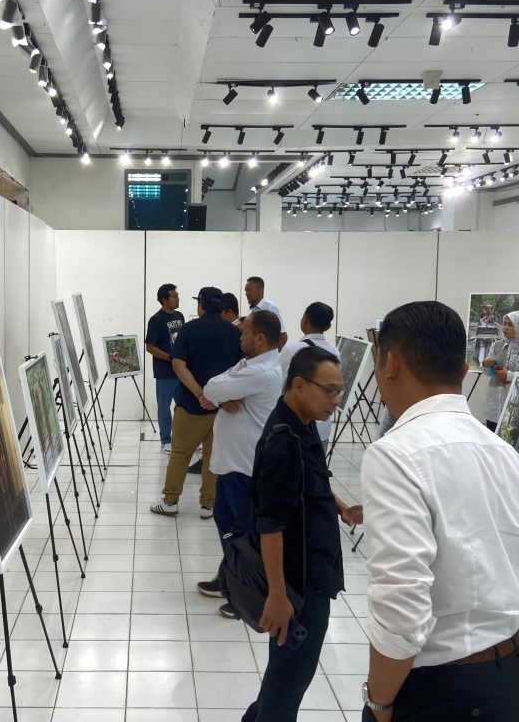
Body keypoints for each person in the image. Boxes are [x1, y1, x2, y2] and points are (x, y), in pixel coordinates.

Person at [360, 301, 519, 722]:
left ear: (390, 363)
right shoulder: (505, 452)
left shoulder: (395, 453)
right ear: (461, 368)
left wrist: (379, 701)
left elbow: (401, 605)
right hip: (515, 677)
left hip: (445, 689)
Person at [244, 346, 362, 721]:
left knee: (285, 677)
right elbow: (270, 525)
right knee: (287, 686)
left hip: (315, 572)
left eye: (340, 390)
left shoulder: (303, 422)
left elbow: (310, 481)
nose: (336, 400)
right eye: (329, 391)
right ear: (298, 385)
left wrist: (340, 506)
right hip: (298, 586)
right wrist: (278, 596)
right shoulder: (283, 440)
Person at [194, 310, 284, 615]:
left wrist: (220, 394)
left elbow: (212, 387)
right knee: (227, 526)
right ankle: (229, 578)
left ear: (260, 338)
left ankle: (246, 595)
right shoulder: (249, 364)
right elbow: (218, 383)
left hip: (245, 467)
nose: (240, 337)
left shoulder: (263, 371)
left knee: (244, 534)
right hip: (231, 464)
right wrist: (223, 396)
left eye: (244, 333)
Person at [150, 287, 243, 518]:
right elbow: (240, 370)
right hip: (222, 409)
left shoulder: (189, 329)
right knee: (213, 456)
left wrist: (201, 394)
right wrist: (220, 397)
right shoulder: (234, 333)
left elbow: (178, 364)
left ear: (201, 305)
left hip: (191, 405)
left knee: (180, 454)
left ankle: (171, 501)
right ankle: (208, 505)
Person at [279, 302, 341, 450]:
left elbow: (279, 386)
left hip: (293, 426)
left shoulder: (291, 350)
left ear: (305, 319)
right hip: (322, 426)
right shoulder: (335, 352)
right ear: (328, 327)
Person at [145, 283, 185, 453]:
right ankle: (166, 441)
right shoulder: (156, 320)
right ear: (164, 300)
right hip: (165, 372)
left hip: (182, 371)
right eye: (174, 296)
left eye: (177, 295)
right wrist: (169, 357)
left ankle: (184, 438)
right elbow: (150, 347)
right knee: (164, 408)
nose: (178, 298)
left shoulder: (179, 316)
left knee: (184, 407)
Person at [481, 311, 519, 431]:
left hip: (517, 402)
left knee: (511, 436)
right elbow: (487, 373)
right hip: (495, 401)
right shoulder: (497, 345)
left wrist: (509, 375)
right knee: (492, 434)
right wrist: (485, 365)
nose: (505, 327)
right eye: (504, 323)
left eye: (510, 325)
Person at [244, 276, 288, 345]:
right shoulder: (251, 312)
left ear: (260, 290)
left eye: (249, 290)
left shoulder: (270, 308)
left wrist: (274, 352)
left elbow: (283, 336)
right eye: (245, 290)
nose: (246, 294)